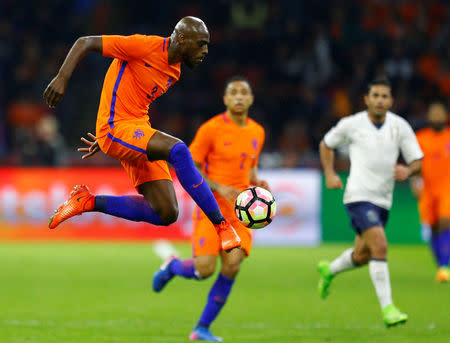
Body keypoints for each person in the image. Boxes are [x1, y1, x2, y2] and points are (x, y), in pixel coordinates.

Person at [42, 17, 241, 252]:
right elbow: (85, 42)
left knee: (167, 212)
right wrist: (62, 79)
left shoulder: (174, 70)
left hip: (131, 130)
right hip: (116, 127)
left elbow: (128, 93)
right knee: (178, 150)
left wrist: (120, 139)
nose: (205, 51)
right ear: (183, 39)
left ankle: (87, 201)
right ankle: (222, 226)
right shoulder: (144, 46)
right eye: (201, 43)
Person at [152, 76, 267, 342]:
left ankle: (202, 327)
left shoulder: (257, 132)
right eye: (233, 92)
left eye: (244, 92)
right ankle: (171, 267)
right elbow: (189, 168)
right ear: (225, 99)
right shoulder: (210, 129)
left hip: (240, 213)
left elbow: (251, 168)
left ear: (250, 99)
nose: (238, 96)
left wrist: (258, 183)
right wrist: (220, 187)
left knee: (233, 264)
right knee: (204, 270)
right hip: (210, 207)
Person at [317, 76, 423, 327]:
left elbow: (417, 160)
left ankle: (329, 270)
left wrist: (408, 171)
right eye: (375, 95)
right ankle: (388, 309)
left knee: (363, 255)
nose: (379, 100)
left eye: (384, 96)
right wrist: (330, 173)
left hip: (383, 201)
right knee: (380, 246)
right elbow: (326, 144)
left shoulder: (400, 126)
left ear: (391, 100)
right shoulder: (352, 124)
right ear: (366, 99)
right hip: (358, 195)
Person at [411, 102, 450, 282]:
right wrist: (414, 182)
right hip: (427, 187)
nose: (436, 117)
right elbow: (415, 163)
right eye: (433, 113)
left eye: (439, 113)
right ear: (428, 117)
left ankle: (445, 266)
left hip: (447, 187)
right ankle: (441, 265)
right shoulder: (421, 138)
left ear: (445, 116)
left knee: (445, 221)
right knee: (433, 227)